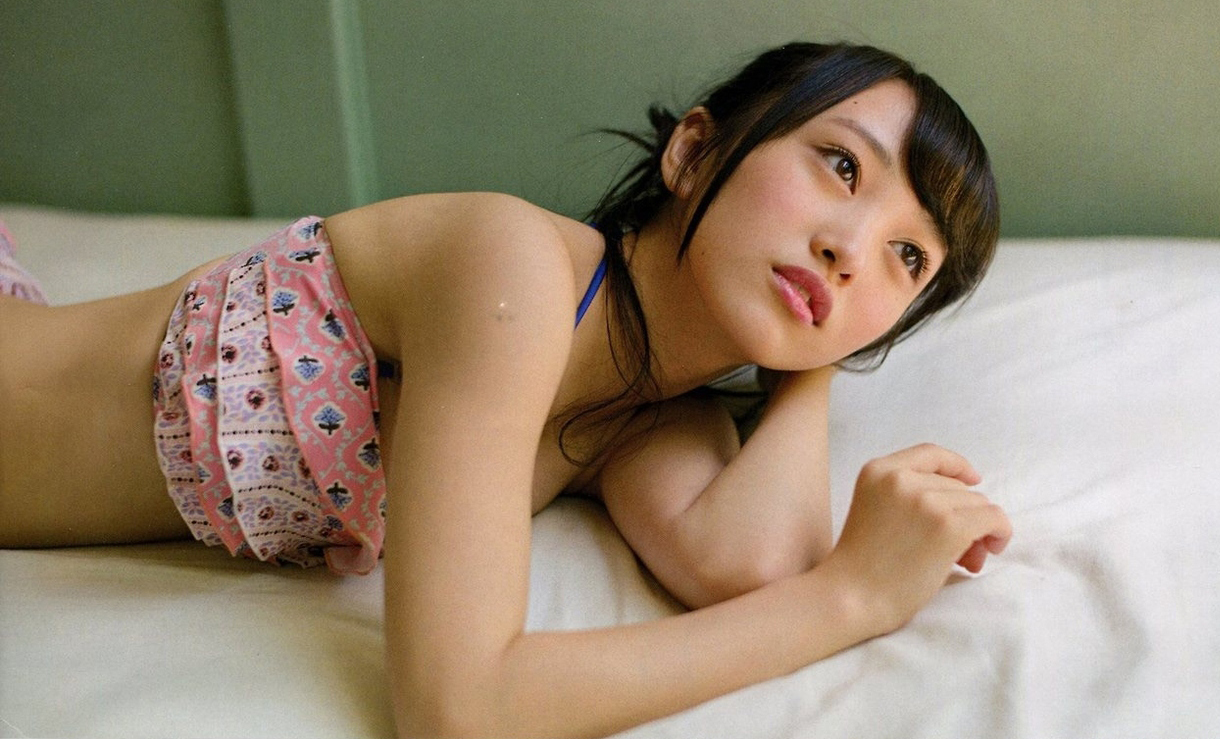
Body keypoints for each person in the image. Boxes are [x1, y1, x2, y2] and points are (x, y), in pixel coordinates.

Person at [0, 41, 1012, 738]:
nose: (851, 246)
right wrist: (853, 598)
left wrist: (813, 357)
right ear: (695, 152)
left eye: (908, 258)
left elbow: (751, 564)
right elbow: (459, 708)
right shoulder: (513, 271)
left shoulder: (648, 418)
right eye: (839, 165)